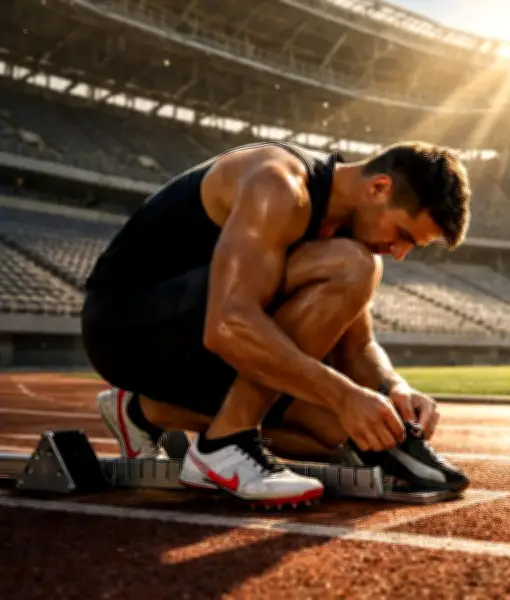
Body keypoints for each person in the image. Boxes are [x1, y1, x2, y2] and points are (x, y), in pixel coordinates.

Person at [81, 140, 472, 508]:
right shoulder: (279, 184)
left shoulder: (344, 230)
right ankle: (225, 444)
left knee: (348, 437)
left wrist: (394, 389)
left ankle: (145, 411)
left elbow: (357, 348)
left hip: (190, 340)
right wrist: (343, 396)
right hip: (125, 326)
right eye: (403, 235)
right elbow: (229, 325)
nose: (400, 253)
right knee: (354, 268)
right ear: (379, 188)